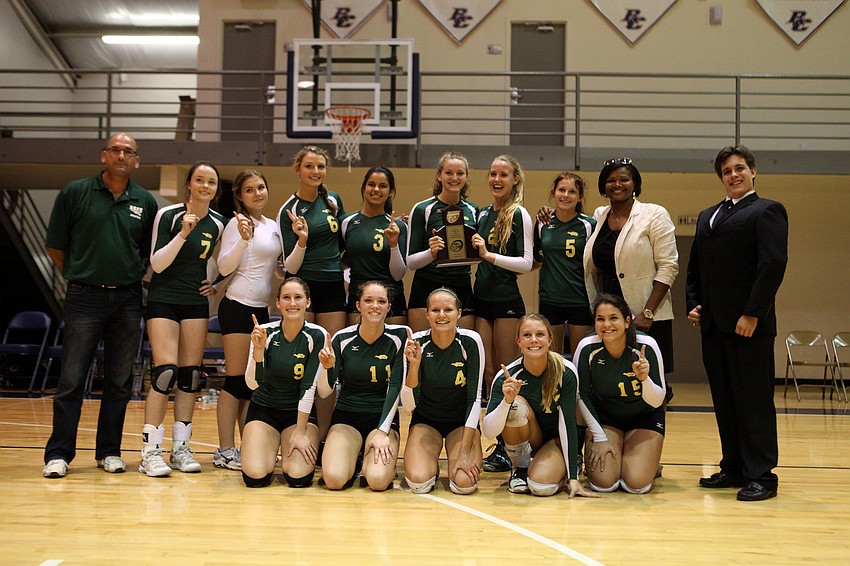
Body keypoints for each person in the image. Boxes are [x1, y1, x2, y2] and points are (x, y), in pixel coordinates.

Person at [43, 133, 158, 478]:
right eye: (116, 150)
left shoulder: (145, 201)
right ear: (104, 156)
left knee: (119, 381)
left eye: (129, 152)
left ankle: (109, 451)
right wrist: (82, 275)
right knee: (72, 378)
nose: (122, 155)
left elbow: (145, 253)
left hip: (127, 298)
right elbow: (56, 247)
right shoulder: (75, 192)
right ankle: (59, 454)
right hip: (84, 296)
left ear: (136, 161)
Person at [686, 145, 788, 502]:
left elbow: (772, 265)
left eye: (739, 168)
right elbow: (696, 268)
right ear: (721, 177)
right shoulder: (706, 215)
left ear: (753, 171)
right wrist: (694, 304)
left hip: (749, 326)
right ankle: (733, 467)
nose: (734, 175)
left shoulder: (767, 211)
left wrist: (753, 313)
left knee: (754, 401)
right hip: (714, 326)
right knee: (725, 400)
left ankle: (762, 475)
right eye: (727, 171)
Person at [139, 161, 226, 477]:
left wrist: (214, 283)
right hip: (164, 301)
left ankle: (180, 448)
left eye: (212, 182)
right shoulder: (169, 215)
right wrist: (183, 234)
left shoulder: (218, 222)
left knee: (190, 376)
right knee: (165, 373)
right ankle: (150, 451)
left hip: (195, 303)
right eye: (200, 180)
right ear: (189, 184)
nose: (205, 186)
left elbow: (223, 261)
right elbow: (157, 264)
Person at [482, 314, 598, 498]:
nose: (534, 340)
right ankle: (520, 469)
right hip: (529, 439)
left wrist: (573, 477)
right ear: (518, 341)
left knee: (541, 487)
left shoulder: (565, 371)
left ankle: (568, 463)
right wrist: (507, 401)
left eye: (540, 334)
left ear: (550, 339)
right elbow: (489, 431)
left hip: (556, 439)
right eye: (527, 335)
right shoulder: (507, 376)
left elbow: (568, 423)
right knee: (516, 406)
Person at [213, 169, 283, 471]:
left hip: (261, 312)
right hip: (238, 306)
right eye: (250, 190)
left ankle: (247, 447)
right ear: (240, 196)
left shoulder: (273, 226)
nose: (258, 193)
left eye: (262, 187)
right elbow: (224, 264)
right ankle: (224, 450)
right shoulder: (237, 222)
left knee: (251, 383)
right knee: (235, 380)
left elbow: (277, 269)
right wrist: (242, 240)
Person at [276, 145, 346, 441]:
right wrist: (302, 240)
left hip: (332, 286)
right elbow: (290, 264)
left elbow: (343, 242)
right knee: (304, 361)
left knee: (329, 362)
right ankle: (300, 432)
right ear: (298, 170)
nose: (315, 172)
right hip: (303, 286)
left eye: (320, 166)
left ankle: (326, 435)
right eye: (309, 166)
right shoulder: (288, 210)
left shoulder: (332, 200)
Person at [583, 158, 678, 375]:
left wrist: (648, 312)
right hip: (609, 316)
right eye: (611, 180)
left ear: (635, 183)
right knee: (613, 377)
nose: (617, 184)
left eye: (624, 179)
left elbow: (668, 267)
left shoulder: (654, 214)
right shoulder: (600, 215)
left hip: (647, 315)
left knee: (650, 377)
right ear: (603, 187)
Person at [317, 281, 409, 491]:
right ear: (358, 305)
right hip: (347, 417)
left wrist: (382, 431)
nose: (375, 306)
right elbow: (324, 391)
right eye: (368, 300)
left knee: (377, 481)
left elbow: (395, 388)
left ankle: (374, 462)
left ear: (389, 306)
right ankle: (355, 458)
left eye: (381, 301)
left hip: (382, 418)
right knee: (334, 479)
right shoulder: (342, 338)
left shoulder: (400, 336)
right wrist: (327, 369)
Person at [575, 293, 667, 494]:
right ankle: (619, 451)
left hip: (644, 417)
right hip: (606, 419)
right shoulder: (587, 347)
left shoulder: (647, 345)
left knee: (637, 485)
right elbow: (582, 395)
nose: (607, 324)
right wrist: (599, 437)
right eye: (601, 319)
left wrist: (644, 380)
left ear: (627, 322)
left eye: (613, 318)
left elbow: (659, 399)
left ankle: (648, 462)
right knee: (604, 483)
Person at [241, 278, 324, 488]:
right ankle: (267, 451)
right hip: (264, 410)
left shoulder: (317, 335)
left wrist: (301, 431)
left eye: (298, 298)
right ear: (277, 303)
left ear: (308, 302)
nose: (292, 303)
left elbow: (310, 387)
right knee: (255, 477)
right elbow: (252, 385)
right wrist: (258, 352)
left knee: (298, 477)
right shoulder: (264, 332)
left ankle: (284, 449)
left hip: (298, 414)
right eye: (286, 298)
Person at [401, 288, 484, 495]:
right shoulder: (416, 342)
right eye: (435, 310)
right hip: (426, 420)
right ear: (427, 314)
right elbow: (410, 405)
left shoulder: (471, 341)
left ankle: (454, 454)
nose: (441, 315)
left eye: (448, 309)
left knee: (465, 484)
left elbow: (475, 399)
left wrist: (465, 453)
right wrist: (414, 366)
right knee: (418, 483)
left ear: (459, 313)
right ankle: (430, 465)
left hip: (460, 423)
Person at [472, 154, 533, 397]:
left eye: (503, 175)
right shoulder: (483, 214)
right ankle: (491, 430)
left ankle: (510, 431)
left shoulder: (519, 214)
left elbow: (527, 263)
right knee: (486, 372)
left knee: (506, 372)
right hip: (481, 299)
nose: (496, 179)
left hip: (506, 300)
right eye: (493, 174)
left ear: (515, 179)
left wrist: (488, 255)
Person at [406, 152, 478, 332]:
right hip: (426, 284)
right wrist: (431, 253)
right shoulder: (423, 209)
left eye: (460, 173)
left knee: (462, 349)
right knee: (421, 348)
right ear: (439, 175)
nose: (454, 178)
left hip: (461, 284)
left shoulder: (473, 210)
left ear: (466, 176)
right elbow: (411, 262)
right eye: (449, 172)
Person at [533, 172, 596, 357]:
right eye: (561, 190)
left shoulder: (589, 225)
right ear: (553, 193)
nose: (566, 195)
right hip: (550, 299)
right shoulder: (542, 223)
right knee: (552, 358)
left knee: (580, 357)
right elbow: (536, 257)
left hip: (580, 300)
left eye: (572, 191)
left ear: (580, 197)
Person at [340, 166, 408, 325]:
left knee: (394, 348)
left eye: (383, 186)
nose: (376, 189)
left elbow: (398, 274)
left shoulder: (399, 227)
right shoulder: (347, 222)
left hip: (392, 297)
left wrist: (393, 244)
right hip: (359, 298)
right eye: (371, 184)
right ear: (364, 188)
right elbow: (336, 258)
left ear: (390, 191)